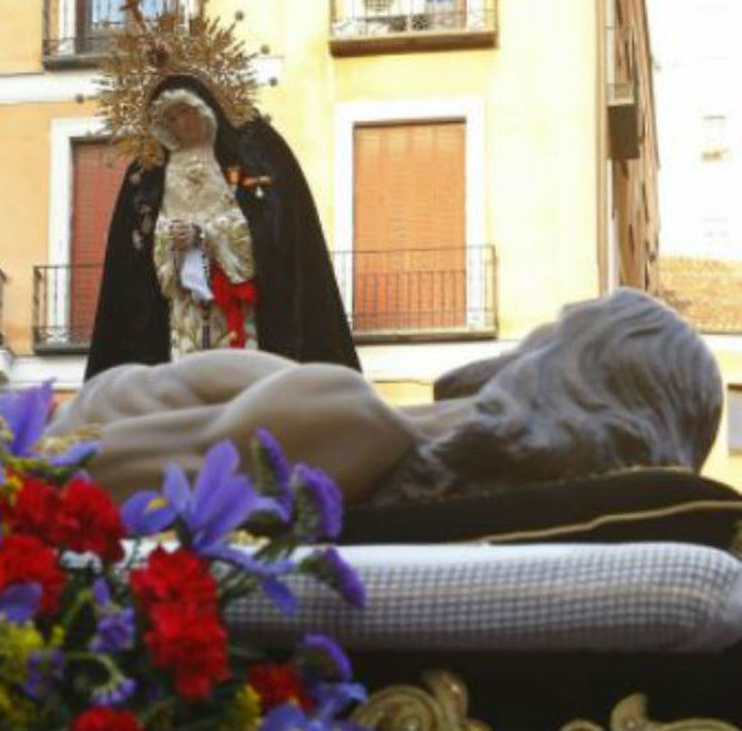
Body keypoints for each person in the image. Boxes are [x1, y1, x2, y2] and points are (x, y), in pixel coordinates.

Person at [50, 289, 722, 504]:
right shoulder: (349, 411)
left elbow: (62, 473)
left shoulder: (349, 421)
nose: (534, 333)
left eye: (559, 325)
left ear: (567, 370)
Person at [84, 73, 360, 378]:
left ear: (205, 110)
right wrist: (171, 240)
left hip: (236, 308)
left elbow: (267, 227)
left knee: (240, 387)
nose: (181, 124)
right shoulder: (154, 173)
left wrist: (206, 235)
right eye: (172, 118)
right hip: (184, 313)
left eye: (186, 112)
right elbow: (145, 241)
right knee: (188, 389)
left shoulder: (245, 158)